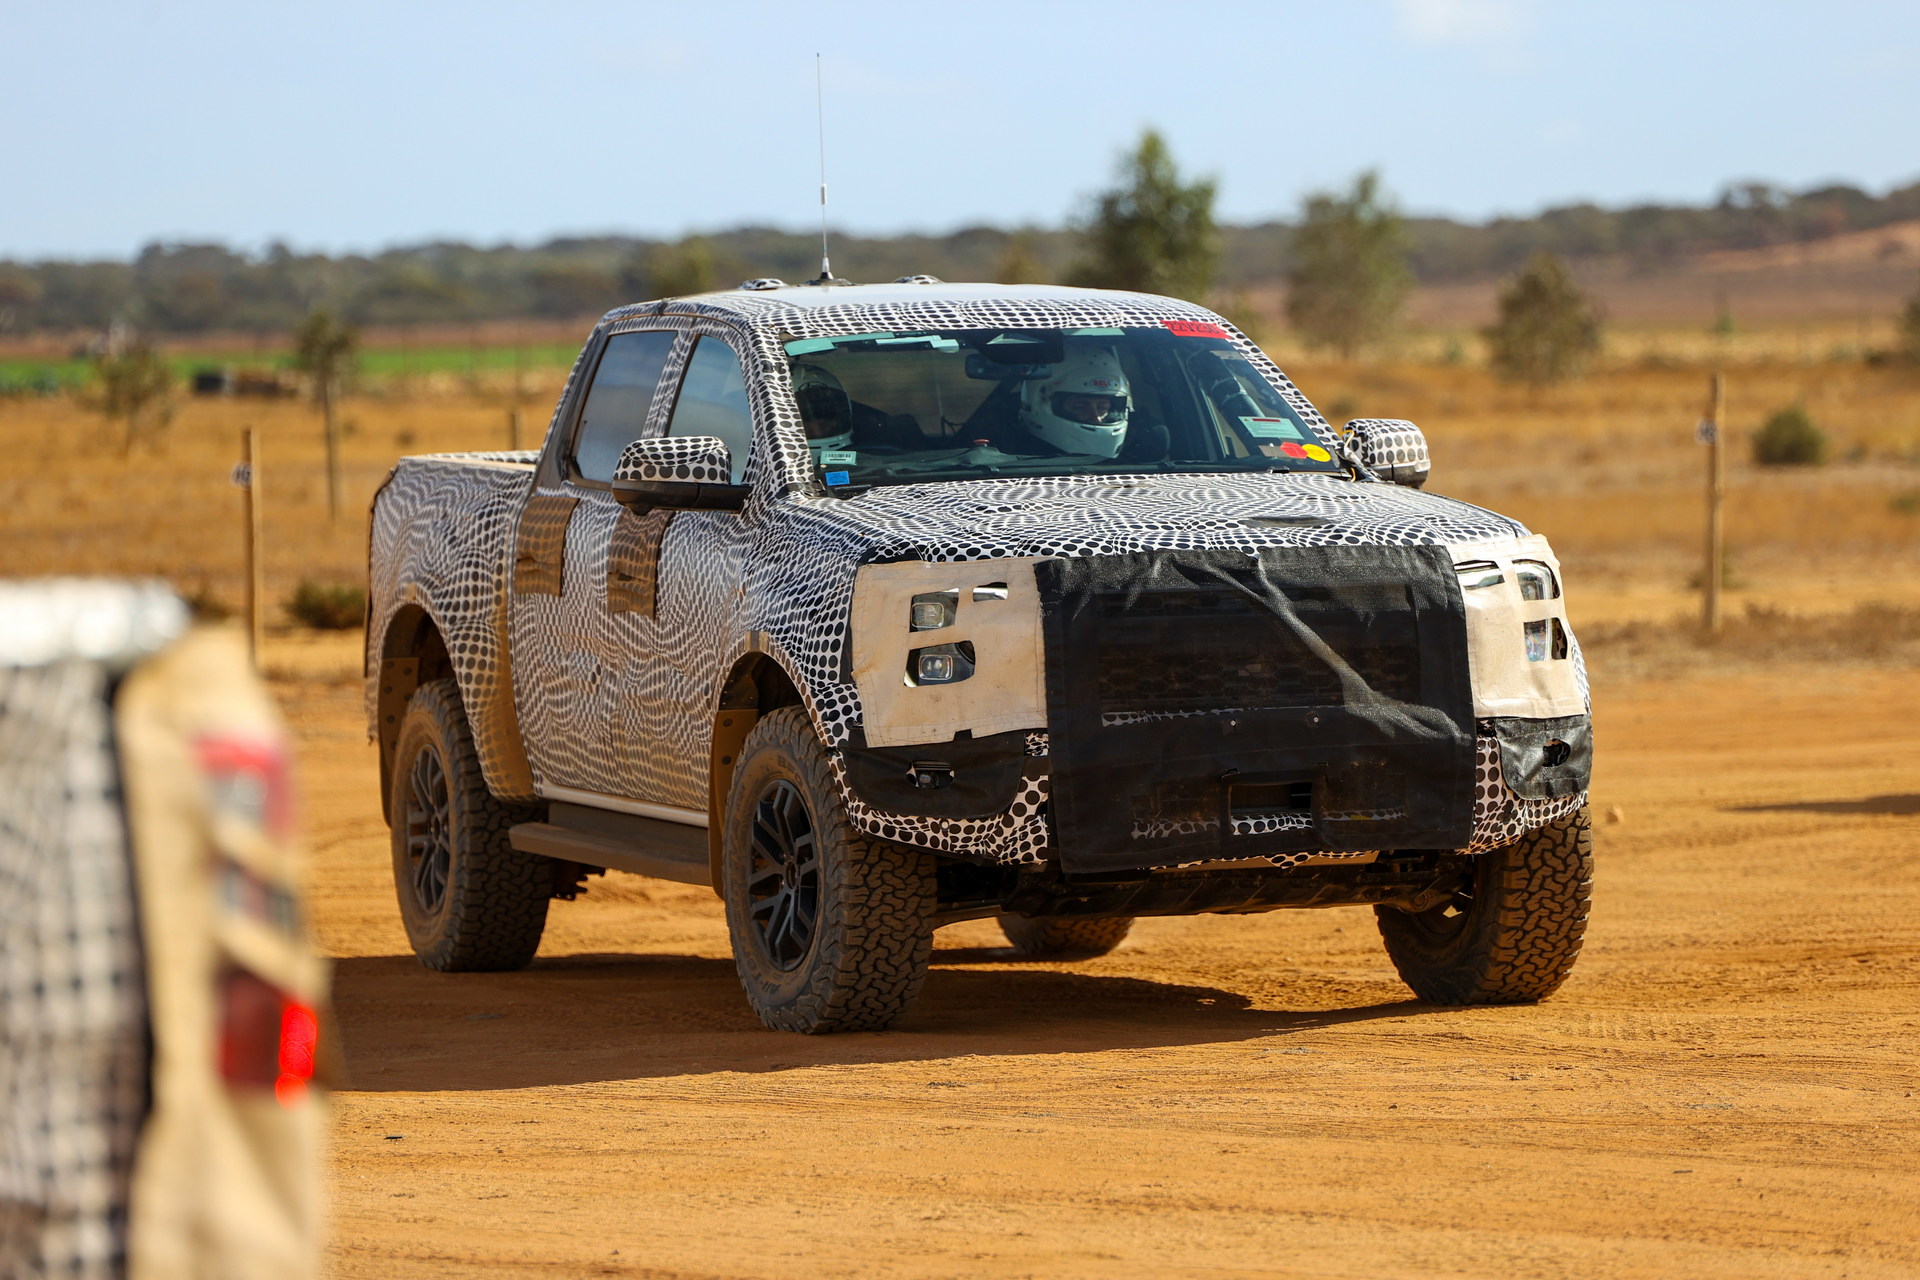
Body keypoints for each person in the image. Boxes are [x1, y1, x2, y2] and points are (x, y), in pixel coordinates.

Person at [1004, 348, 1134, 459]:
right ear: (1039, 404)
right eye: (1080, 407)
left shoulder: (1144, 459)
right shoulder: (1004, 454)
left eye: (1103, 408)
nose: (1096, 418)